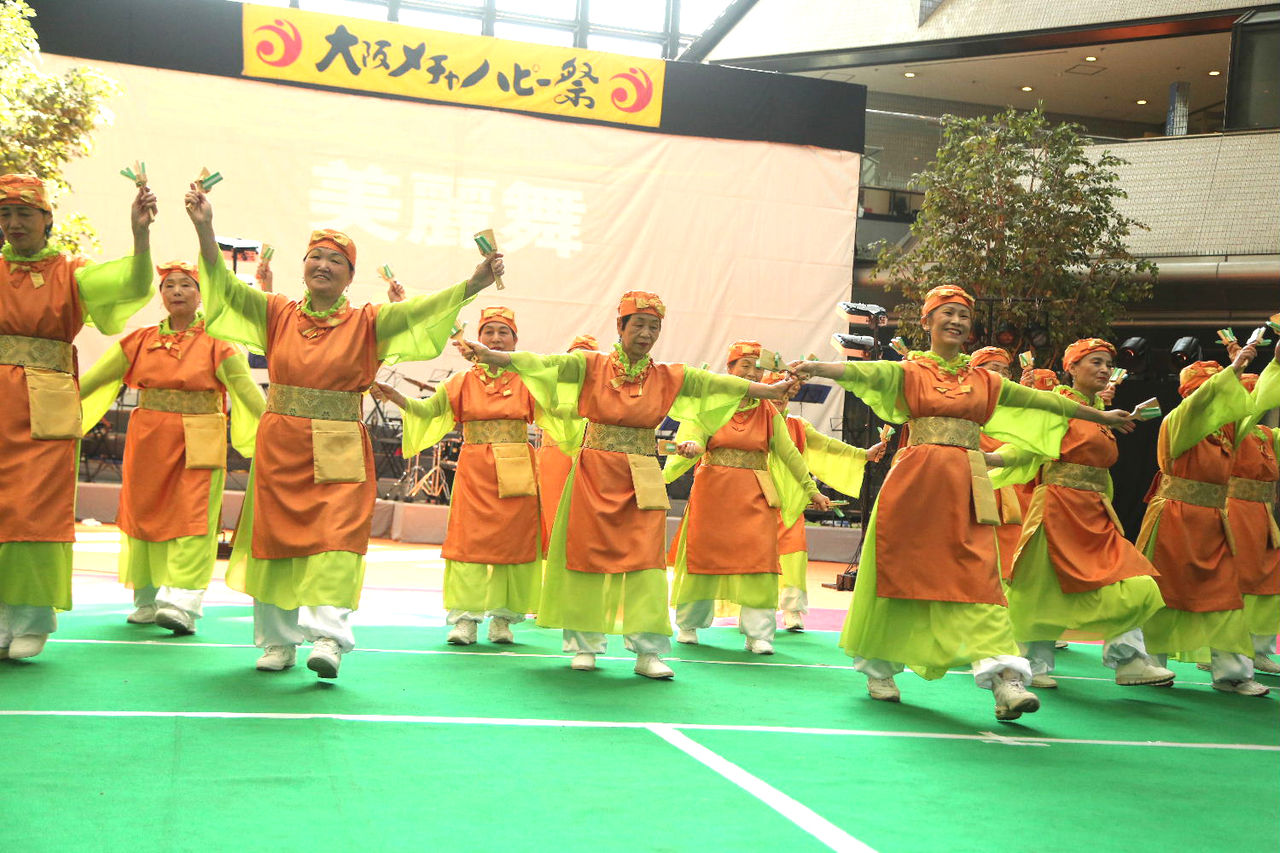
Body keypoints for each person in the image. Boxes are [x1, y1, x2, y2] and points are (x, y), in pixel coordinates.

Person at [184, 183, 500, 679]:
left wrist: (473, 284)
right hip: (281, 446)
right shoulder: (276, 313)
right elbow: (223, 287)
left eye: (336, 260)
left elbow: (421, 311)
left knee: (336, 541)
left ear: (351, 276)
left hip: (339, 447)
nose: (323, 265)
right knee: (275, 540)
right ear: (303, 267)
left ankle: (329, 637)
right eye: (316, 256)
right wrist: (204, 227)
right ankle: (277, 641)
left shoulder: (369, 322)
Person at [790, 285, 1135, 720]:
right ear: (927, 321)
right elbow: (863, 373)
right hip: (914, 485)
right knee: (898, 571)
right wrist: (814, 367)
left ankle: (1005, 680)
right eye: (948, 313)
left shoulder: (985, 381)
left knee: (980, 578)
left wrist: (1100, 416)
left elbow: (1042, 401)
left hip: (966, 486)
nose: (956, 321)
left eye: (964, 316)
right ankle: (880, 669)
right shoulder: (909, 371)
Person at [457, 292, 795, 678]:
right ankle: (584, 645)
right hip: (594, 472)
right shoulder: (590, 365)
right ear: (620, 326)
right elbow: (545, 364)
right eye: (639, 325)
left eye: (654, 327)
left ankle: (648, 651)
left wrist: (769, 391)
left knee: (645, 563)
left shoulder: (668, 375)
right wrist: (494, 356)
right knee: (585, 557)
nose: (647, 333)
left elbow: (716, 383)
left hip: (642, 474)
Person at [1, 174, 157, 661]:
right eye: (5, 214)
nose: (13, 223)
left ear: (47, 219)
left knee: (34, 509)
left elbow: (133, 284)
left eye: (24, 213)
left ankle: (32, 618)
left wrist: (140, 234)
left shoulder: (73, 273)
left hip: (45, 408)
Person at [78, 261, 265, 635]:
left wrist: (276, 428)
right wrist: (52, 405)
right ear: (161, 295)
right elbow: (95, 378)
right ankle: (146, 599)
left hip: (199, 438)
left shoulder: (218, 341)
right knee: (143, 513)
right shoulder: (140, 340)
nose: (177, 291)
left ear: (201, 294)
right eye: (169, 285)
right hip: (148, 438)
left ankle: (183, 602)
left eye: (186, 285)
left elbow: (245, 389)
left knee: (194, 516)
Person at [988, 338, 1172, 689]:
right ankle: (1032, 664)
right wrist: (990, 459)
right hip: (1057, 509)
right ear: (1071, 367)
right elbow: (1028, 448)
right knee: (1040, 588)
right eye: (1095, 362)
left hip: (1095, 514)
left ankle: (1129, 660)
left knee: (1131, 581)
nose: (1104, 370)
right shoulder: (1059, 405)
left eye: (1108, 364)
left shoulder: (1101, 413)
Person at [374, 305, 541, 646]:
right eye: (489, 331)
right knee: (469, 541)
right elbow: (428, 411)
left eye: (503, 332)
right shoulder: (460, 382)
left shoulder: (529, 380)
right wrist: (399, 398)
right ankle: (466, 618)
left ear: (515, 341)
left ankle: (503, 618)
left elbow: (559, 411)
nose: (496, 338)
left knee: (514, 542)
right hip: (475, 470)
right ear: (477, 339)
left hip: (517, 468)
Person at [664, 341, 830, 654]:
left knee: (759, 560)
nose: (753, 372)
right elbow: (693, 438)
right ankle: (688, 624)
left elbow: (789, 454)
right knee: (703, 555)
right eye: (745, 366)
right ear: (729, 369)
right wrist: (692, 448)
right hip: (713, 495)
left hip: (755, 496)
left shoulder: (768, 411)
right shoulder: (709, 405)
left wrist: (812, 490)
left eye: (757, 367)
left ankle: (758, 633)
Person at [1136, 342, 1276, 697]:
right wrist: (1234, 369)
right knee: (1163, 594)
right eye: (1218, 390)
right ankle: (1150, 665)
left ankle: (1232, 674)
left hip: (1214, 521)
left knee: (1226, 596)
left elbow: (1258, 402)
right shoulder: (1179, 420)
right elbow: (1201, 404)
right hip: (1174, 518)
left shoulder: (1228, 431)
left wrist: (1276, 366)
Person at [773, 376, 879, 632]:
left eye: (785, 395)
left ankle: (792, 609)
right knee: (754, 559)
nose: (781, 399)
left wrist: (863, 454)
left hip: (790, 506)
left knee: (794, 557)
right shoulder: (754, 423)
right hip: (757, 501)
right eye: (775, 393)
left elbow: (828, 445)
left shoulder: (797, 426)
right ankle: (753, 609)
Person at [1226, 369, 1280, 676]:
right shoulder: (1230, 431)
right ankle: (1218, 648)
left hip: (1263, 514)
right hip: (1235, 511)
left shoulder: (1268, 436)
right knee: (1236, 580)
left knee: (1268, 581)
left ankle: (1259, 649)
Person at [536, 334, 598, 554]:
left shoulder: (602, 392)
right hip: (555, 457)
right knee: (554, 512)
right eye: (574, 358)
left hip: (591, 459)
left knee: (586, 518)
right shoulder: (550, 386)